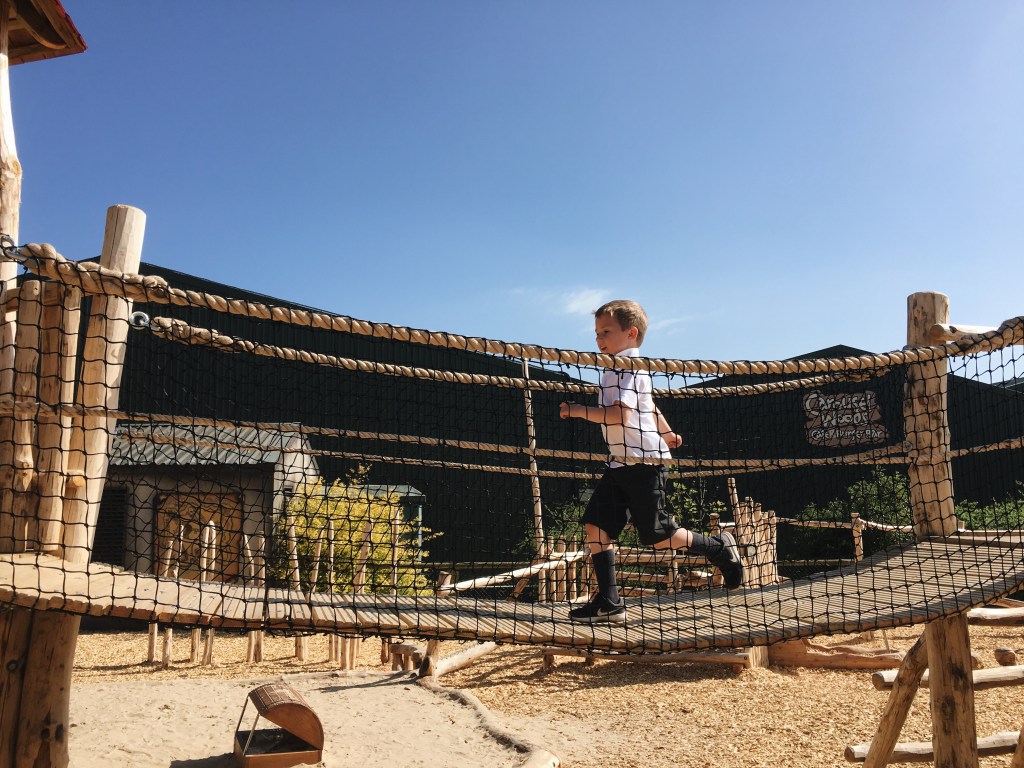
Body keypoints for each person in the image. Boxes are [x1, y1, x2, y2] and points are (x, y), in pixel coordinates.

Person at [559, 299, 744, 623]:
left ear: (631, 333)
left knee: (657, 536)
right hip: (620, 462)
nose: (599, 338)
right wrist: (667, 430)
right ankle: (610, 601)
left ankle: (718, 548)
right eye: (596, 332)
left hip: (643, 463)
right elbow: (648, 404)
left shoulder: (625, 366)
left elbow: (620, 414)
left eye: (606, 331)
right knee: (596, 525)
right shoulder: (616, 367)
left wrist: (577, 410)